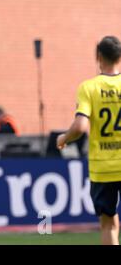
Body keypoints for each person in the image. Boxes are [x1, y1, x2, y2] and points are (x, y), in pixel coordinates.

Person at [57, 36, 121, 245]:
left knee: (108, 224)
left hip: (103, 168)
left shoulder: (89, 87)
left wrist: (64, 137)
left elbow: (81, 127)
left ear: (98, 56)